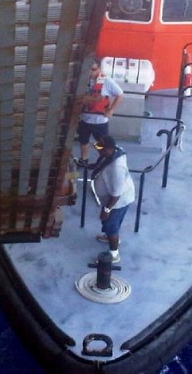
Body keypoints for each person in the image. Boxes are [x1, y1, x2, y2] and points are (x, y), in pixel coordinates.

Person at [91, 135, 135, 263]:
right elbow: (103, 162)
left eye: (101, 148)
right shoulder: (114, 152)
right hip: (115, 198)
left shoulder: (116, 168)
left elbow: (116, 194)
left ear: (109, 149)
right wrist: (93, 166)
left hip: (118, 202)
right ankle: (109, 236)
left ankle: (114, 254)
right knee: (112, 225)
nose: (98, 150)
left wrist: (106, 209)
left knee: (111, 225)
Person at [77, 59, 124, 164]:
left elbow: (120, 94)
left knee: (101, 143)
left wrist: (111, 110)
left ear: (99, 69)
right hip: (84, 119)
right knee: (83, 140)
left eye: (93, 69)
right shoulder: (82, 80)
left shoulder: (107, 81)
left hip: (99, 121)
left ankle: (104, 158)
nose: (90, 72)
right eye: (88, 69)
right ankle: (84, 159)